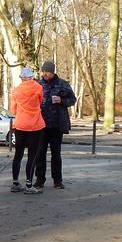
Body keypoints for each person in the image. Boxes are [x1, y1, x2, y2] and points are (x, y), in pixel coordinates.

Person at [34, 59, 76, 189]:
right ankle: (39, 180)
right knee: (40, 153)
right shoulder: (37, 84)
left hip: (57, 124)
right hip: (40, 124)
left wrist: (61, 100)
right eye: (43, 71)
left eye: (47, 72)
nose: (44, 74)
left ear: (52, 72)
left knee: (56, 153)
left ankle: (57, 180)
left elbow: (72, 100)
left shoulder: (62, 84)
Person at [8, 66, 45, 194]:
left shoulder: (16, 91)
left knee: (18, 154)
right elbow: (40, 102)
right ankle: (29, 185)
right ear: (32, 77)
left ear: (22, 78)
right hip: (35, 125)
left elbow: (13, 110)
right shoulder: (38, 88)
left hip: (20, 125)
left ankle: (15, 183)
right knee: (32, 156)